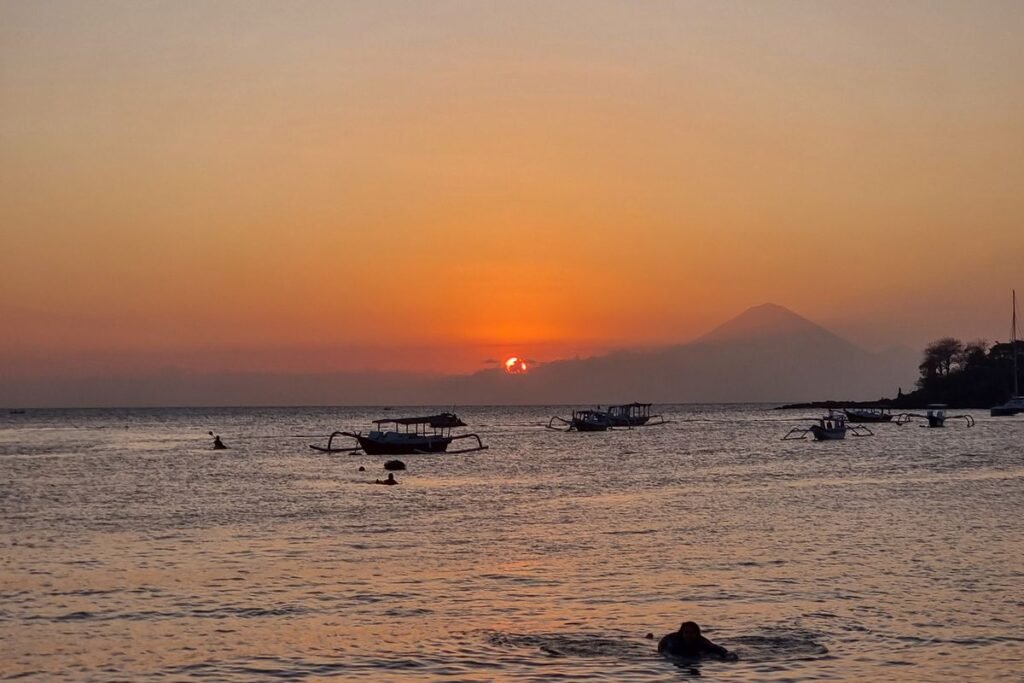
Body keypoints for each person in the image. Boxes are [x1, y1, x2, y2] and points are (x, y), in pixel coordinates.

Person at [658, 621, 736, 660]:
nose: (689, 635)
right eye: (686, 632)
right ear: (682, 633)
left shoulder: (702, 641)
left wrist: (727, 655)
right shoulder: (674, 642)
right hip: (664, 646)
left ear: (697, 634)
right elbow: (665, 651)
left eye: (692, 633)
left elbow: (717, 649)